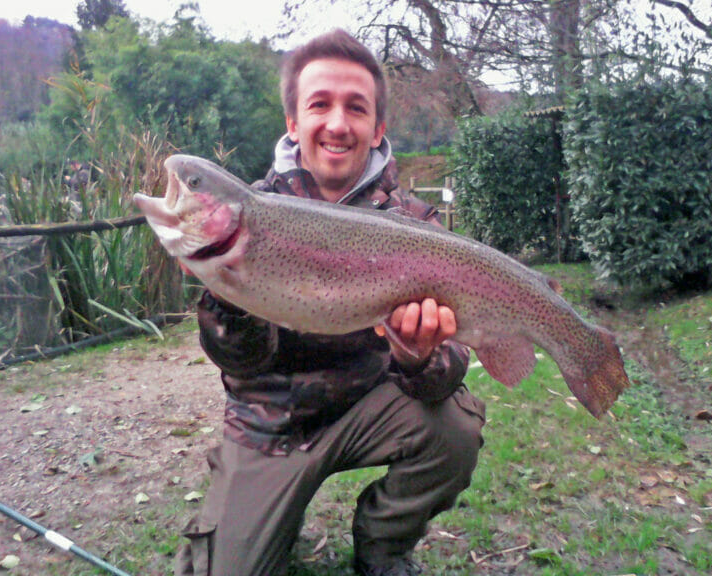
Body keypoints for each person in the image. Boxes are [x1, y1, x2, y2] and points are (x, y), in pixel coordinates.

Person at [175, 29, 486, 576]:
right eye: (319, 105)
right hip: (271, 428)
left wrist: (417, 355)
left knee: (455, 428)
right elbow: (239, 362)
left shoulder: (416, 226)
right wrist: (229, 296)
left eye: (356, 108)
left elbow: (450, 368)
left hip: (371, 409)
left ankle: (384, 546)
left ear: (378, 127)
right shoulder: (251, 214)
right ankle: (269, 520)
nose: (338, 124)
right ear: (293, 123)